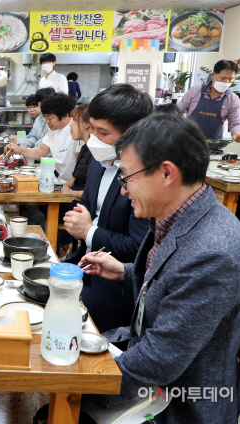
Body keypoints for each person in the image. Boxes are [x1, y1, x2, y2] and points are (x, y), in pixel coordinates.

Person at [76, 114, 240, 423]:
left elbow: (159, 360)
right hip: (155, 379)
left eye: (127, 177)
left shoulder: (212, 252)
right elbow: (173, 286)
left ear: (167, 173)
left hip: (178, 403)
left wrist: (78, 389)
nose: (123, 190)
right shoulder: (178, 216)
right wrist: (125, 270)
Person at [63, 84, 152, 333]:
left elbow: (138, 248)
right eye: (91, 128)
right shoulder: (98, 160)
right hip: (84, 268)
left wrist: (89, 231)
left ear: (131, 135)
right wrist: (78, 219)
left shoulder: (142, 178)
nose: (93, 138)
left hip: (115, 288)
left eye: (102, 132)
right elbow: (86, 209)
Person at [5, 93, 80, 184]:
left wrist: (68, 187)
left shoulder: (76, 130)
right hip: (60, 180)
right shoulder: (53, 130)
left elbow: (80, 167)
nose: (47, 121)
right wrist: (19, 150)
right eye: (45, 117)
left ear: (65, 116)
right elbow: (41, 150)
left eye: (51, 118)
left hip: (74, 184)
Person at [177, 59, 240, 143]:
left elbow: (235, 122)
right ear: (213, 75)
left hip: (213, 145)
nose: (226, 82)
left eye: (230, 79)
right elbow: (178, 111)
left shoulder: (233, 99)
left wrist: (237, 134)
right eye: (223, 78)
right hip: (188, 142)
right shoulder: (195, 91)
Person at [64, 105, 93, 203]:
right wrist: (63, 187)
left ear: (86, 124)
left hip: (81, 204)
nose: (70, 124)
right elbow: (73, 179)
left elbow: (93, 193)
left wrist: (69, 193)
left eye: (75, 120)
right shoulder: (85, 148)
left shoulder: (97, 154)